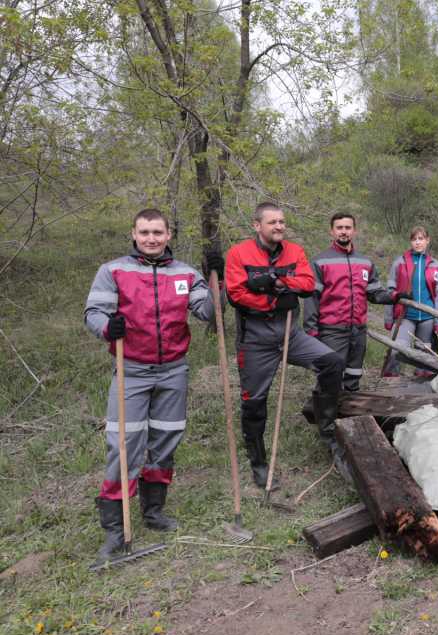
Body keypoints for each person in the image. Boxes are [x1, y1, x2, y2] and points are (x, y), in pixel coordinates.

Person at [84, 208, 216, 563]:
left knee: (166, 438)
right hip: (132, 370)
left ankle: (153, 511)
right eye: (145, 232)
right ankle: (115, 529)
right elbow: (94, 313)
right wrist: (105, 327)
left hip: (174, 370)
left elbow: (204, 309)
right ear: (134, 233)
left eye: (158, 232)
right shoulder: (113, 271)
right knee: (124, 444)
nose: (152, 238)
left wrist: (213, 289)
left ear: (169, 234)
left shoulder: (185, 273)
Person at [226, 203, 346, 487]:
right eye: (273, 222)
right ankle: (258, 463)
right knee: (254, 403)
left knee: (332, 363)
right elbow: (236, 293)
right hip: (255, 339)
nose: (279, 226)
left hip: (291, 334)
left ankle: (325, 425)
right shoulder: (238, 253)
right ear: (257, 225)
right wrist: (273, 298)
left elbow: (307, 284)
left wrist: (274, 280)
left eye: (282, 222)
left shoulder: (295, 251)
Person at [303, 212, 400, 465]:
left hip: (358, 330)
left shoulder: (365, 263)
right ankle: (327, 433)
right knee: (329, 381)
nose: (344, 231)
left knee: (353, 378)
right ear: (331, 231)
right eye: (339, 228)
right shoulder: (321, 262)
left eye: (348, 227)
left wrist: (396, 295)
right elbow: (311, 299)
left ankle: (349, 424)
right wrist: (311, 330)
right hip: (331, 330)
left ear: (354, 231)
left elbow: (374, 292)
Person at [383, 226, 438, 377]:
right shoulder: (399, 263)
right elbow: (390, 291)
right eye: (414, 239)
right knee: (396, 350)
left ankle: (419, 389)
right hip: (405, 316)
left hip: (427, 319)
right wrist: (388, 317)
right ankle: (390, 384)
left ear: (427, 240)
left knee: (424, 358)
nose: (418, 242)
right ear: (410, 242)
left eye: (421, 239)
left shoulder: (436, 266)